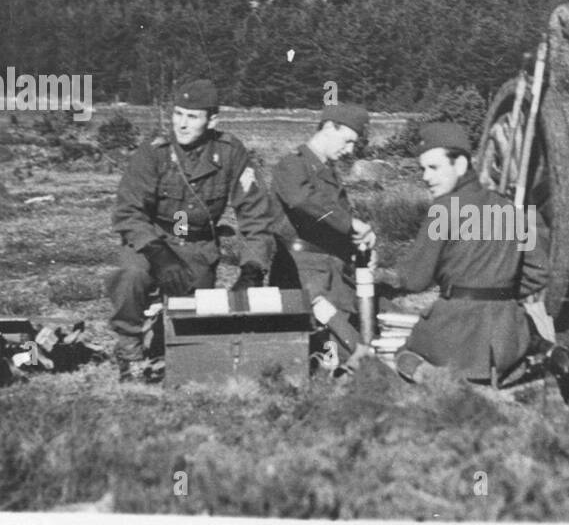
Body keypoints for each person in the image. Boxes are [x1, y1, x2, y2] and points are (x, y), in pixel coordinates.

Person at [107, 79, 280, 381]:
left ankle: (167, 345)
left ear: (212, 120)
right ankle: (129, 352)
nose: (182, 125)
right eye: (178, 114)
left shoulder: (229, 152)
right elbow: (128, 210)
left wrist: (252, 268)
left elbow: (255, 215)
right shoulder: (154, 152)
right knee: (131, 275)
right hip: (152, 239)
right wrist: (159, 254)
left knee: (191, 327)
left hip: (196, 246)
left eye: (192, 117)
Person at [374, 121, 532, 385]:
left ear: (460, 165)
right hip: (507, 339)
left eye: (434, 168)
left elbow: (415, 279)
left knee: (404, 357)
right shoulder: (512, 210)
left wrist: (380, 275)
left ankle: (439, 385)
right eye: (423, 169)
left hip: (456, 335)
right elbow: (537, 273)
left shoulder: (443, 210)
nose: (425, 177)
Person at [270, 103, 375, 366]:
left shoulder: (327, 172)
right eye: (348, 141)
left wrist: (361, 246)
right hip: (302, 273)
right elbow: (301, 200)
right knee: (339, 350)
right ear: (329, 127)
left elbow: (333, 224)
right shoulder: (292, 164)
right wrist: (351, 224)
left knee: (357, 342)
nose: (350, 150)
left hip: (333, 274)